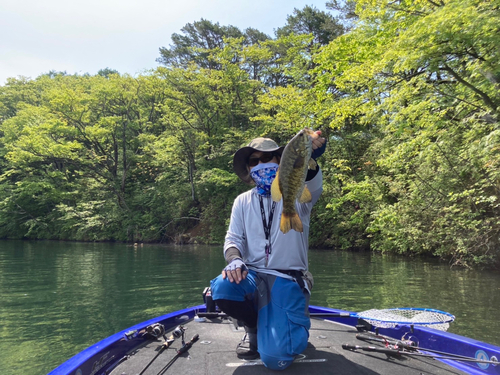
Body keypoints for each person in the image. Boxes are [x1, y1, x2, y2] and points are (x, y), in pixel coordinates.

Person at [210, 130, 326, 370]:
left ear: (280, 161)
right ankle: (253, 330)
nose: (261, 164)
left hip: (287, 277)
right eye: (254, 161)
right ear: (249, 169)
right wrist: (234, 260)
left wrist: (310, 157)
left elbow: (313, 184)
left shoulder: (299, 198)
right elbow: (233, 238)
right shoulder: (242, 201)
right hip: (251, 275)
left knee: (277, 360)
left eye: (268, 158)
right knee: (221, 288)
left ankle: (291, 324)